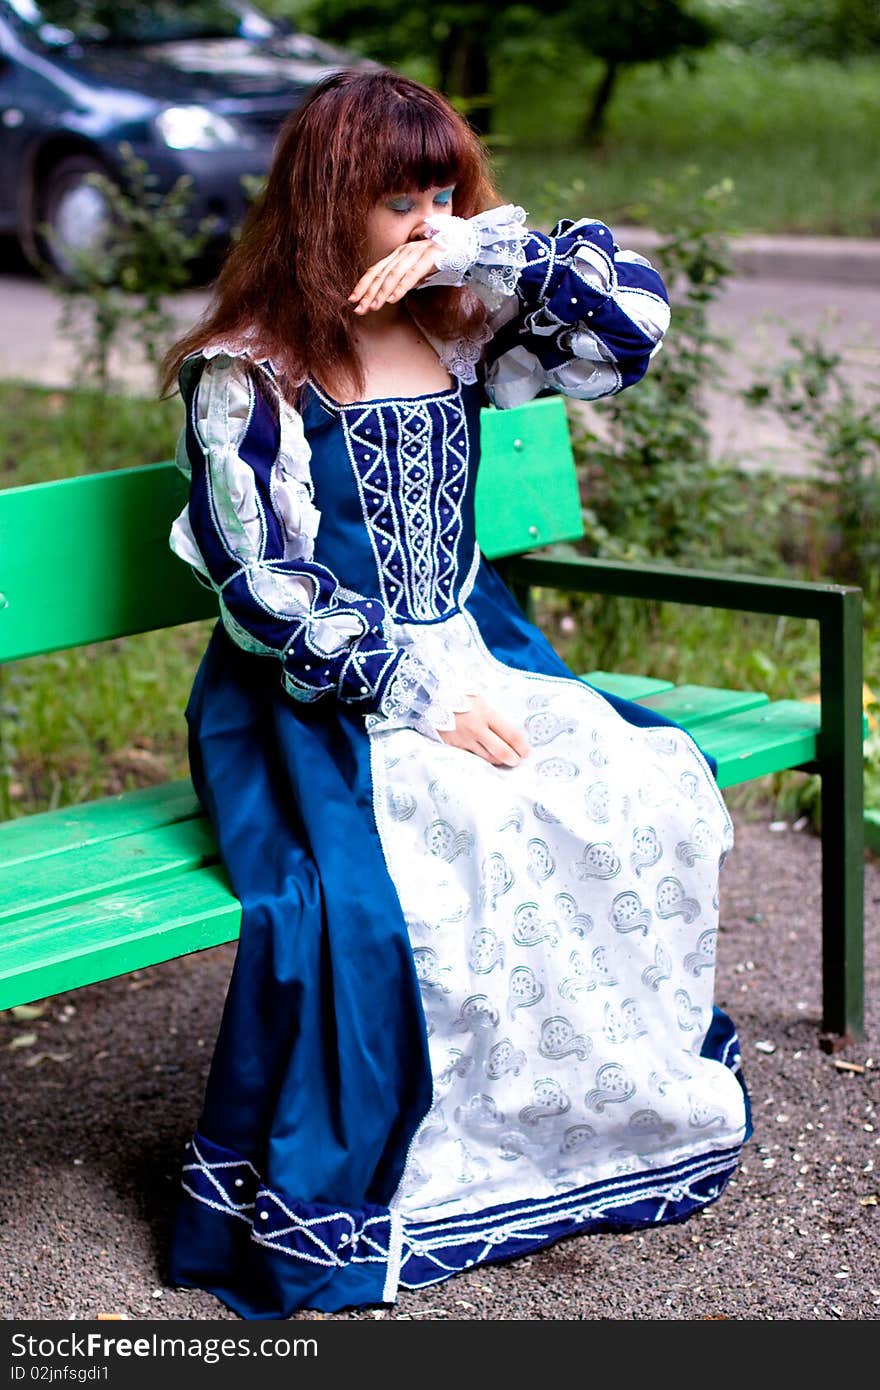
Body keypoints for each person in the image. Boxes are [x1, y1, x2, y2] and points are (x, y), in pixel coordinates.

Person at [161, 67, 750, 1320]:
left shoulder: (456, 323)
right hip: (314, 692)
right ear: (327, 207)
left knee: (636, 782)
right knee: (468, 827)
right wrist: (411, 697)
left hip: (475, 643)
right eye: (398, 202)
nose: (429, 222)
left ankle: (583, 1123)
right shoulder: (247, 370)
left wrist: (484, 245)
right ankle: (432, 1167)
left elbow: (627, 325)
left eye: (444, 192)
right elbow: (260, 583)